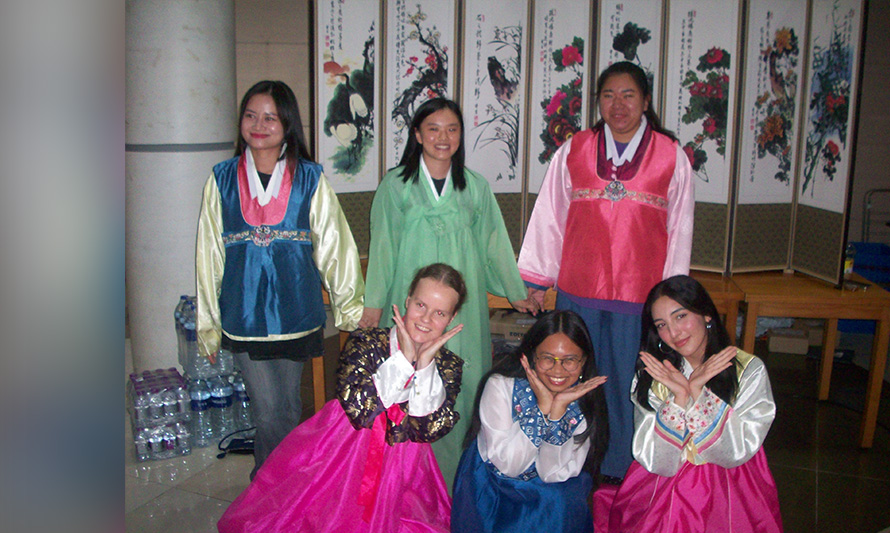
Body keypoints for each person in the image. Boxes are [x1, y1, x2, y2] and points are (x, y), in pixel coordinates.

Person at [171, 263, 467, 533]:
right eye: (421, 305)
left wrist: (424, 366)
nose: (425, 319)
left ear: (451, 319)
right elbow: (361, 407)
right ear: (407, 301)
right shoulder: (367, 341)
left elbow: (429, 428)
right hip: (342, 450)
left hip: (404, 467)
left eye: (440, 313)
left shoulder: (448, 365)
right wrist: (405, 362)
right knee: (322, 530)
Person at [591, 275, 841, 533]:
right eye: (661, 325)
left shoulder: (747, 370)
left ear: (706, 314)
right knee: (682, 495)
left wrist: (697, 392)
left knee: (698, 492)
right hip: (661, 482)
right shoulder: (653, 376)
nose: (673, 333)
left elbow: (736, 450)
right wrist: (681, 395)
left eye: (680, 316)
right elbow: (657, 461)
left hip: (733, 482)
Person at [518, 61, 695, 482]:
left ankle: (623, 469)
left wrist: (674, 300)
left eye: (629, 95)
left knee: (627, 384)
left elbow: (681, 227)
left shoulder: (672, 157)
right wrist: (538, 281)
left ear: (646, 101)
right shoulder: (575, 149)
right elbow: (550, 216)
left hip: (641, 296)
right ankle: (574, 463)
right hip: (580, 290)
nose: (618, 105)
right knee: (574, 376)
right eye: (609, 96)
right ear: (598, 102)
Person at [359, 97, 536, 489]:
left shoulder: (474, 187)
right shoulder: (396, 186)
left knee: (464, 383)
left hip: (461, 311)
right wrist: (373, 304)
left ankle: (457, 483)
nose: (443, 137)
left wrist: (515, 290)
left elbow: (493, 244)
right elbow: (384, 246)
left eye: (452, 129)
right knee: (408, 387)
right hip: (415, 309)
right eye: (434, 129)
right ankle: (407, 484)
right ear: (418, 134)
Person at [195, 80, 364, 478]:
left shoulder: (309, 179)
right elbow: (208, 255)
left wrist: (349, 307)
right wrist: (208, 323)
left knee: (288, 407)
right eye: (251, 115)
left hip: (295, 311)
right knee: (270, 412)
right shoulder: (220, 180)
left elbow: (335, 245)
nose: (259, 125)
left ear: (287, 124)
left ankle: (274, 491)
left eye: (270, 117)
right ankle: (272, 489)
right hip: (244, 314)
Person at [451, 310, 611, 533]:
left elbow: (551, 473)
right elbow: (508, 466)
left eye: (570, 361)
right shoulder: (501, 385)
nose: (558, 370)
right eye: (547, 358)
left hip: (550, 490)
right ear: (529, 355)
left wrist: (557, 411)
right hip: (494, 490)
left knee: (557, 509)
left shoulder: (584, 401)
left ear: (584, 363)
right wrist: (540, 410)